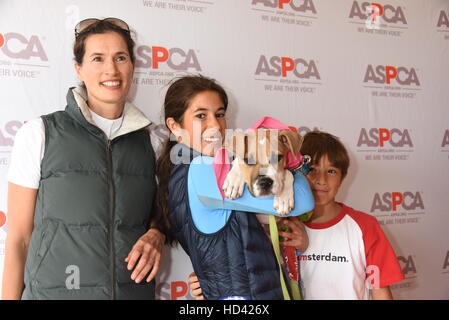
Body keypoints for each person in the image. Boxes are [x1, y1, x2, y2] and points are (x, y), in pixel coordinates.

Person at [2, 18, 167, 300]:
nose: (111, 70)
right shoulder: (40, 133)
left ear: (132, 66)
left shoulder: (152, 143)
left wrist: (157, 235)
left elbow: (161, 215)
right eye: (97, 59)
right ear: (78, 68)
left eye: (120, 57)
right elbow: (19, 239)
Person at [189, 130, 404, 300]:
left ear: (343, 177)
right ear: (296, 171)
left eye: (331, 171)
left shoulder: (364, 226)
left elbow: (380, 290)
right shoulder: (275, 221)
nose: (320, 180)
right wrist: (207, 277)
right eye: (311, 170)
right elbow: (245, 262)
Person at [156, 74, 309, 300]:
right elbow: (303, 200)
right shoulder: (201, 170)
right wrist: (290, 170)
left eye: (219, 115)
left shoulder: (196, 168)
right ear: (175, 127)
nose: (216, 125)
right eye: (201, 116)